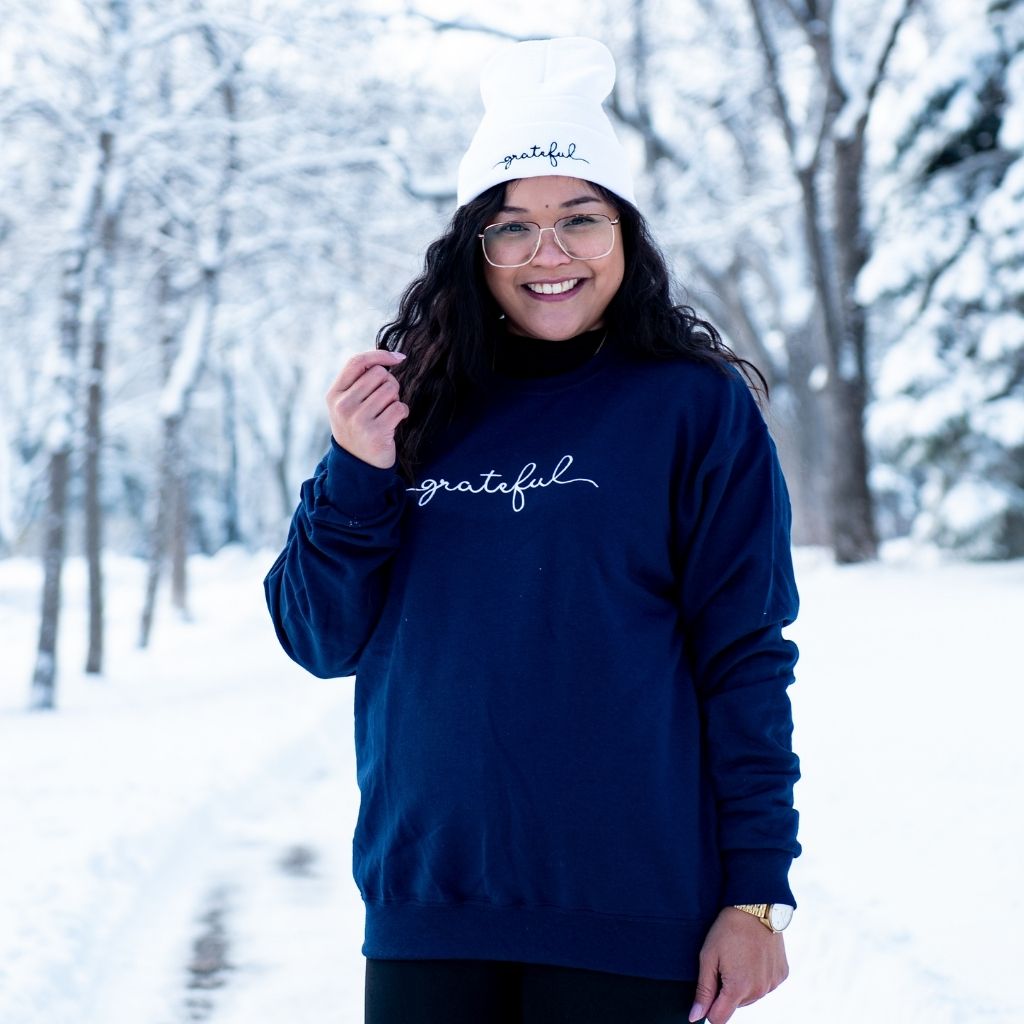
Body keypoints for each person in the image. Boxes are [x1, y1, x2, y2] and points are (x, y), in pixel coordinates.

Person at [265, 36, 800, 1024]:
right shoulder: (413, 404)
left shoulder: (694, 408)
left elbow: (744, 656)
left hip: (632, 910)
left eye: (580, 219)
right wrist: (356, 469)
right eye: (512, 227)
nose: (549, 254)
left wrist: (756, 893)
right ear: (474, 248)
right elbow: (317, 638)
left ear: (625, 232)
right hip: (431, 905)